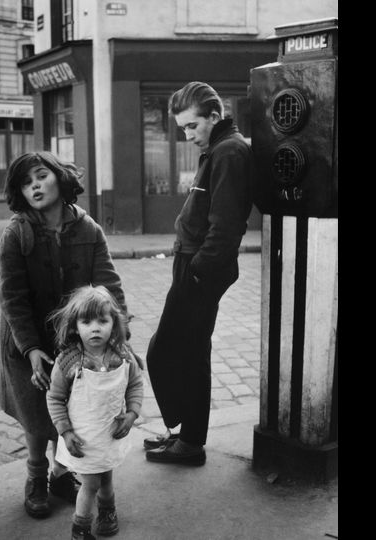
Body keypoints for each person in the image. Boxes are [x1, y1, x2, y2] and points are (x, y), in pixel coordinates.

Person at [0, 151, 131, 519]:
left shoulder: (89, 230)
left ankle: (60, 474)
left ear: (60, 177)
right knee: (36, 412)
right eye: (26, 183)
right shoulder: (16, 233)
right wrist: (30, 349)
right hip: (27, 341)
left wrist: (121, 335)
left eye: (41, 176)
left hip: (75, 339)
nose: (35, 186)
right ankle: (36, 475)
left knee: (72, 407)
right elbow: (12, 298)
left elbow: (110, 287)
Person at [144, 81, 254, 466]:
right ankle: (186, 434)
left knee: (170, 352)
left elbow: (226, 227)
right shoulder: (218, 149)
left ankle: (189, 442)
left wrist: (197, 272)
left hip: (200, 267)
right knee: (185, 351)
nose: (187, 136)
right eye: (183, 129)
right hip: (193, 264)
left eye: (192, 126)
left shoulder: (229, 152)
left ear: (214, 116)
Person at [45, 286, 143, 539]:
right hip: (83, 438)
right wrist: (65, 432)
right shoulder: (68, 361)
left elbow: (135, 384)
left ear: (114, 323)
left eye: (102, 321)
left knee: (106, 477)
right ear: (75, 326)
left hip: (110, 434)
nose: (95, 328)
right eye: (87, 322)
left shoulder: (123, 355)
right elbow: (55, 397)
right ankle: (80, 528)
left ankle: (108, 511)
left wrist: (132, 414)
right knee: (90, 484)